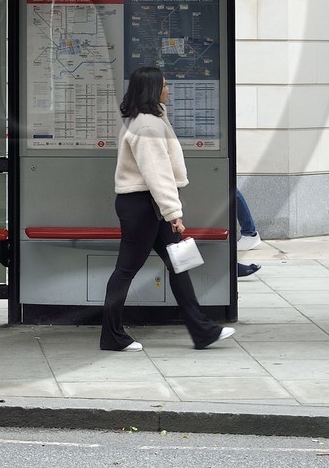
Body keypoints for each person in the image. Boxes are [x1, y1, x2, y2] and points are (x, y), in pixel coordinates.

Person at [100, 65, 236, 352]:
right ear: (152, 89)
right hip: (142, 204)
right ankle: (112, 335)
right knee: (126, 269)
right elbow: (157, 174)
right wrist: (174, 213)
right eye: (164, 84)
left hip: (148, 203)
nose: (168, 88)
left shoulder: (150, 119)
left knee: (179, 262)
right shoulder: (147, 126)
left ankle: (202, 331)